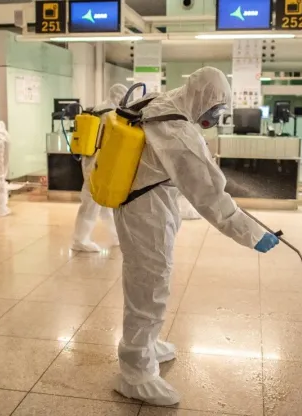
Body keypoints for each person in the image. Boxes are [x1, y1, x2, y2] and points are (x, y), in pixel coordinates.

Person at [113, 67, 279, 406]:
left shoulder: (162, 101)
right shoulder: (175, 130)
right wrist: (251, 233)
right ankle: (135, 371)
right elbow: (210, 196)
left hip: (145, 202)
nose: (214, 118)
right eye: (215, 110)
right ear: (203, 98)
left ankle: (145, 342)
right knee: (150, 283)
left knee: (149, 280)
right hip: (145, 211)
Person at [71, 84, 128, 252]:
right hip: (98, 162)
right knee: (90, 201)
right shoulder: (110, 113)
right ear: (119, 96)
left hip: (90, 159)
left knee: (104, 202)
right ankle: (80, 240)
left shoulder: (97, 108)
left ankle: (117, 236)